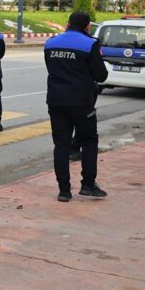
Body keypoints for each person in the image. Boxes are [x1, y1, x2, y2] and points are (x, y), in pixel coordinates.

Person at [44, 11, 109, 202]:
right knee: (89, 140)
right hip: (82, 102)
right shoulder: (90, 44)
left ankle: (64, 191)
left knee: (61, 144)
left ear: (67, 23)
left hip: (56, 101)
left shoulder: (51, 43)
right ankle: (88, 185)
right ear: (87, 26)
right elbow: (101, 76)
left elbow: (51, 68)